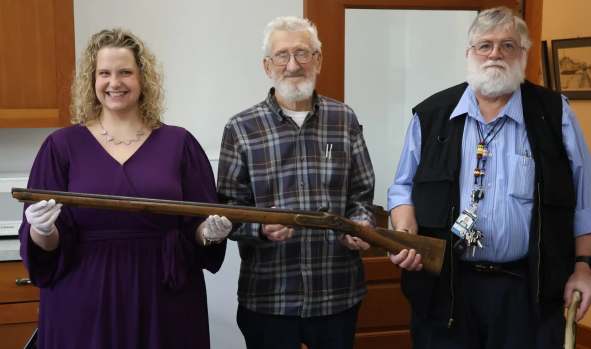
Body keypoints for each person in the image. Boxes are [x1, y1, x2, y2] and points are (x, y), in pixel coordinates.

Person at [387, 7, 591, 349]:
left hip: (528, 292)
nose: (495, 54)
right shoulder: (431, 115)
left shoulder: (555, 114)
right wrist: (405, 234)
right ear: (469, 53)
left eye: (508, 45)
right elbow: (402, 187)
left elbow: (588, 199)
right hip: (447, 289)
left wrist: (584, 268)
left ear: (523, 54)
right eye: (485, 45)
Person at [19, 28, 232, 349]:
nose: (114, 82)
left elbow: (199, 229)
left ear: (143, 79)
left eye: (125, 72)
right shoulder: (60, 146)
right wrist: (41, 229)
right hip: (81, 300)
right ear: (92, 81)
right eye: (104, 73)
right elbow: (44, 248)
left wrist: (210, 232)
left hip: (165, 299)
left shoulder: (180, 143)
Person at [217, 16, 375, 349]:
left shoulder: (344, 119)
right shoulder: (240, 128)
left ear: (318, 60)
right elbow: (227, 209)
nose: (293, 65)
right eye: (282, 55)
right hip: (268, 297)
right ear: (266, 65)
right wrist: (261, 229)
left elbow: (361, 192)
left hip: (337, 294)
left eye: (303, 53)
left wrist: (360, 223)